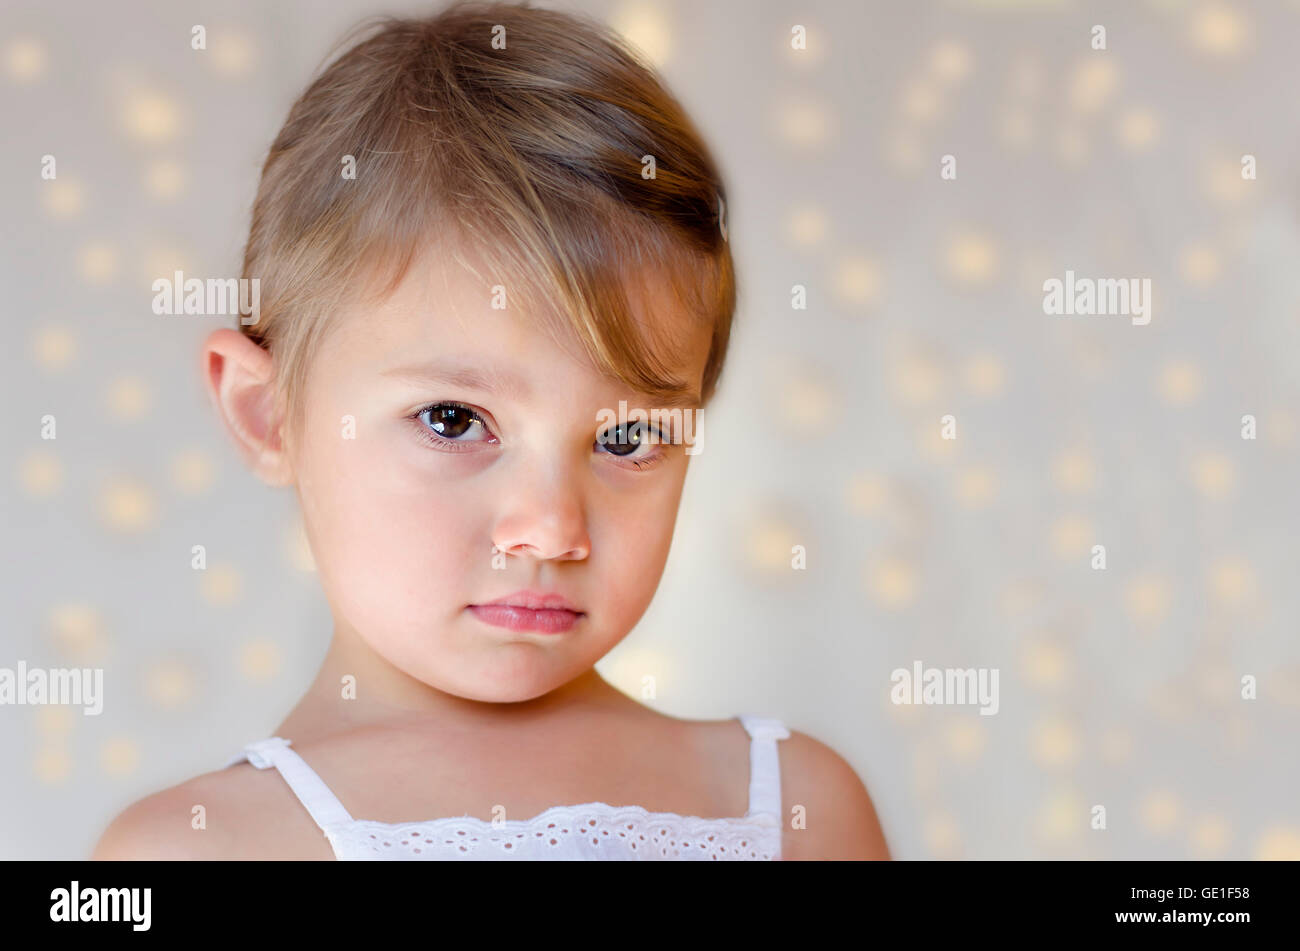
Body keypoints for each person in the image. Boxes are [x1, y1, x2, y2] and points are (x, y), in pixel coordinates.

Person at [92, 0, 889, 860]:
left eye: (627, 437)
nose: (549, 528)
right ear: (267, 412)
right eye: (454, 419)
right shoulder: (197, 847)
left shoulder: (796, 808)